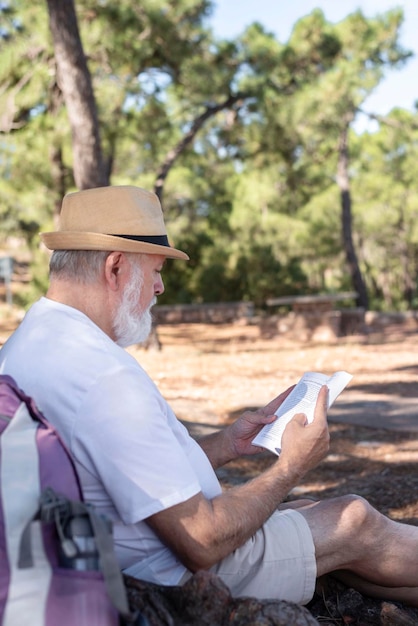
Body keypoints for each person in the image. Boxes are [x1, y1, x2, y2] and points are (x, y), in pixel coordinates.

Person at [0, 185, 417, 608]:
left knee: (313, 512)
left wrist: (227, 443)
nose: (160, 288)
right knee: (354, 519)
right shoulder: (101, 374)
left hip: (126, 557)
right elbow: (200, 541)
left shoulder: (28, 344)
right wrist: (292, 466)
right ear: (116, 268)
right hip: (177, 575)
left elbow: (124, 470)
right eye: (157, 270)